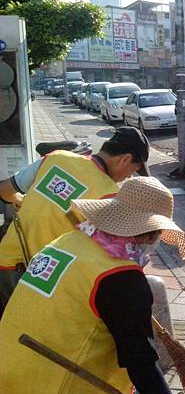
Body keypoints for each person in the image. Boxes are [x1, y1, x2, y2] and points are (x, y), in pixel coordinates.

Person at [0, 177, 185, 394]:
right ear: (150, 233)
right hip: (50, 389)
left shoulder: (67, 241)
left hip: (10, 368)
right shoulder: (121, 278)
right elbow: (139, 360)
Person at [0, 126, 150, 319]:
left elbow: (4, 190)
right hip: (41, 279)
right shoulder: (109, 196)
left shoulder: (55, 158)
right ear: (125, 159)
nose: (129, 176)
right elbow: (107, 255)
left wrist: (20, 200)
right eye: (134, 170)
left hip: (6, 258)